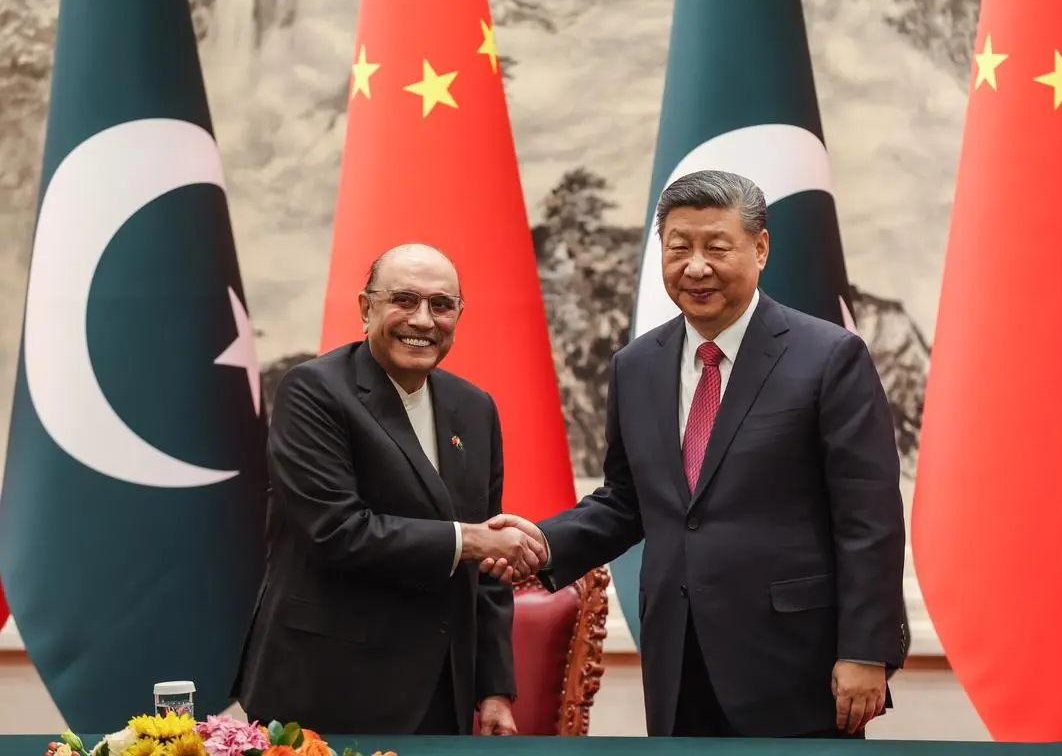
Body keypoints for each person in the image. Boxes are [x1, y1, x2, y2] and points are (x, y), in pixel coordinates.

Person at [484, 170, 908, 738]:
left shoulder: (829, 357)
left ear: (760, 248)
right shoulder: (636, 365)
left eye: (717, 246)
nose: (696, 266)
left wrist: (866, 649)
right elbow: (627, 501)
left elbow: (869, 519)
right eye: (679, 247)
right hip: (677, 655)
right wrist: (538, 543)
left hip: (797, 662)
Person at [233, 244, 546, 735]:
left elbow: (488, 572)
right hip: (327, 692)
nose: (423, 320)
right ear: (366, 308)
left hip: (441, 695)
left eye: (441, 305)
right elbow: (337, 531)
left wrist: (494, 690)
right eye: (404, 299)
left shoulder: (475, 408)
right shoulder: (313, 392)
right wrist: (470, 540)